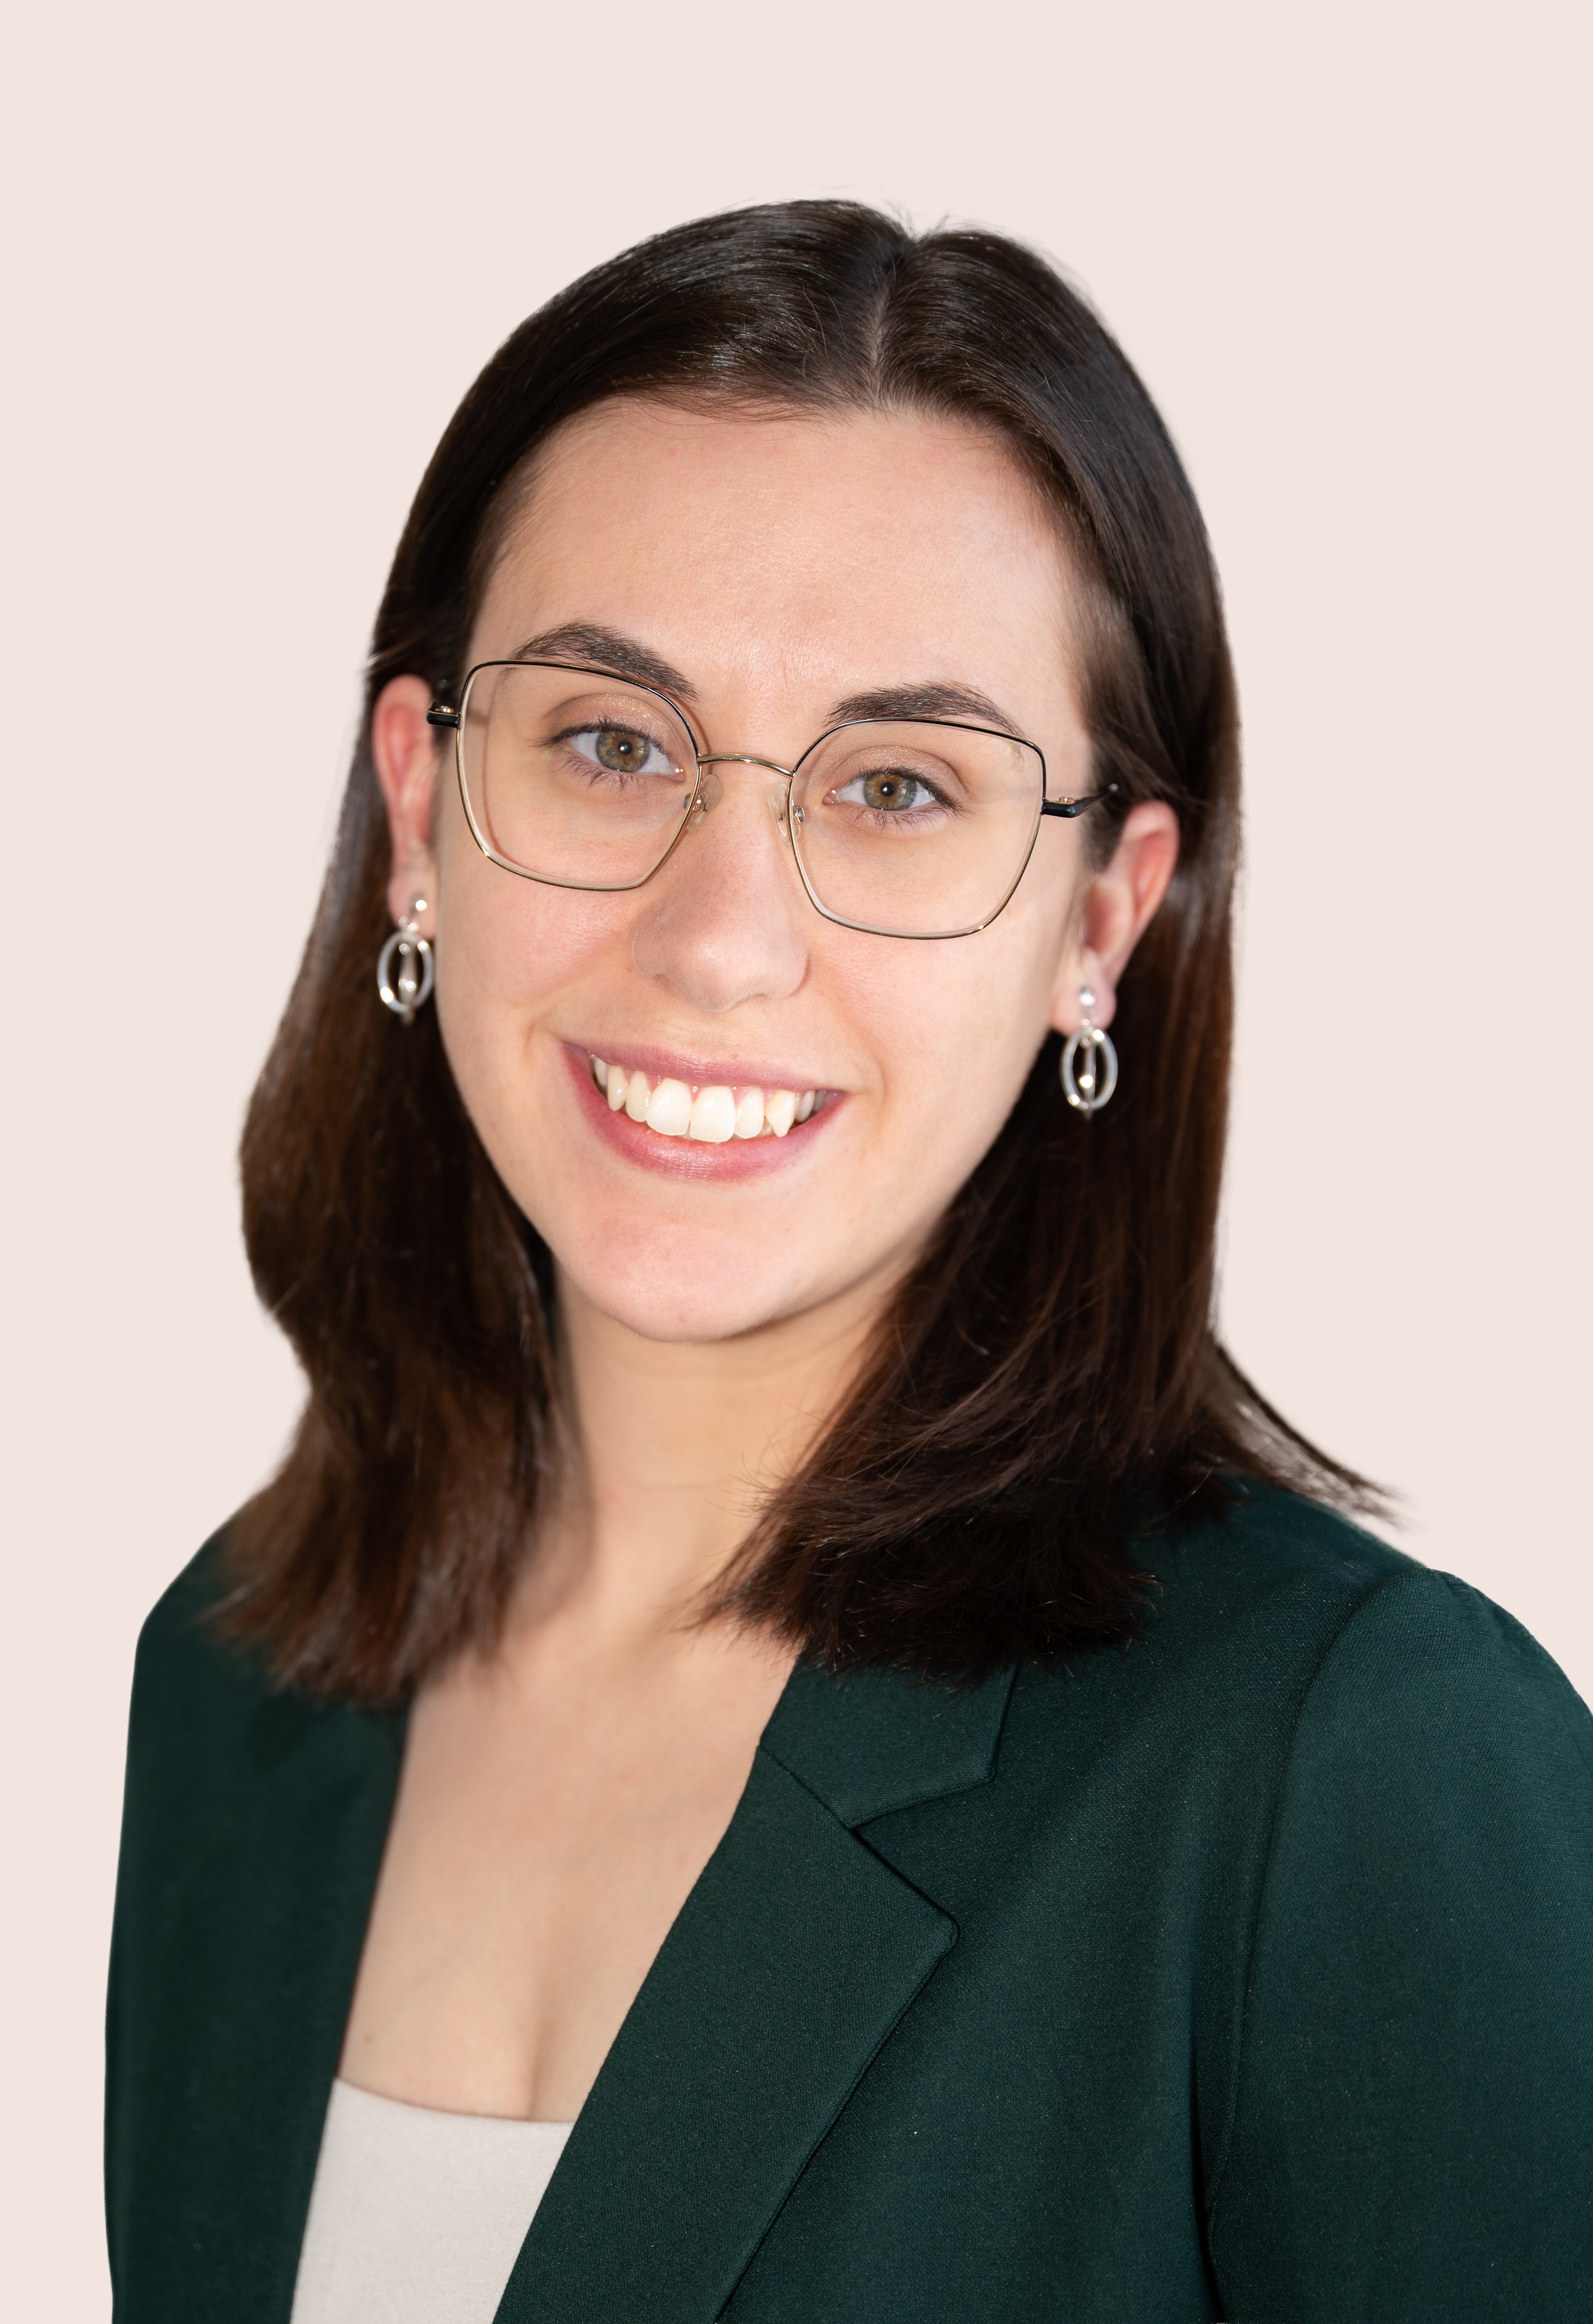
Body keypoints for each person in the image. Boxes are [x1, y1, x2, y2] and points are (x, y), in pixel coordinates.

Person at [105, 201, 1593, 2324]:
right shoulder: (237, 1680)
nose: (720, 940)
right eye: (610, 743)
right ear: (422, 808)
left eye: (897, 785)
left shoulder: (1353, 1770)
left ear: (1100, 914)